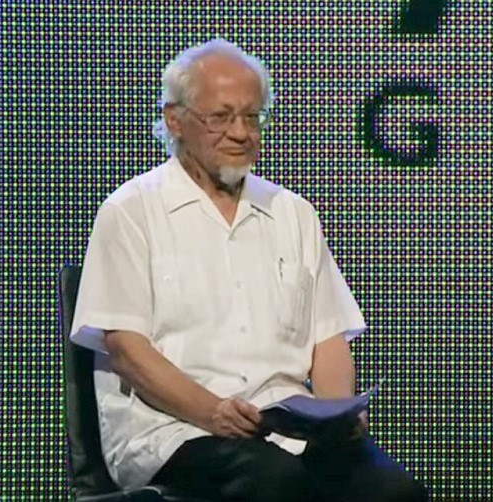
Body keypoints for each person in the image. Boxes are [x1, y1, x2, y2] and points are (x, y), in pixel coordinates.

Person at [70, 39, 426, 501]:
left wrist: (335, 414)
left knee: (393, 490)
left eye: (252, 117)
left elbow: (329, 338)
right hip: (175, 430)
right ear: (175, 121)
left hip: (289, 434)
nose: (241, 133)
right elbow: (127, 351)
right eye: (221, 117)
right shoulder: (131, 211)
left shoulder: (293, 213)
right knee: (275, 482)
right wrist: (213, 412)